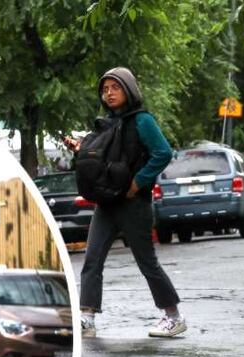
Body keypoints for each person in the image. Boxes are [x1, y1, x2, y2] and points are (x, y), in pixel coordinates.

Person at [66, 66, 184, 338]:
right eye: (105, 89)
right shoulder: (109, 123)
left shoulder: (142, 121)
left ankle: (173, 316)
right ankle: (87, 318)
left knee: (146, 262)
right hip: (107, 202)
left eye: (115, 87)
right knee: (92, 258)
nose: (109, 93)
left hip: (133, 203)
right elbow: (105, 160)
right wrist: (81, 149)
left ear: (129, 89)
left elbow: (163, 152)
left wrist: (138, 182)